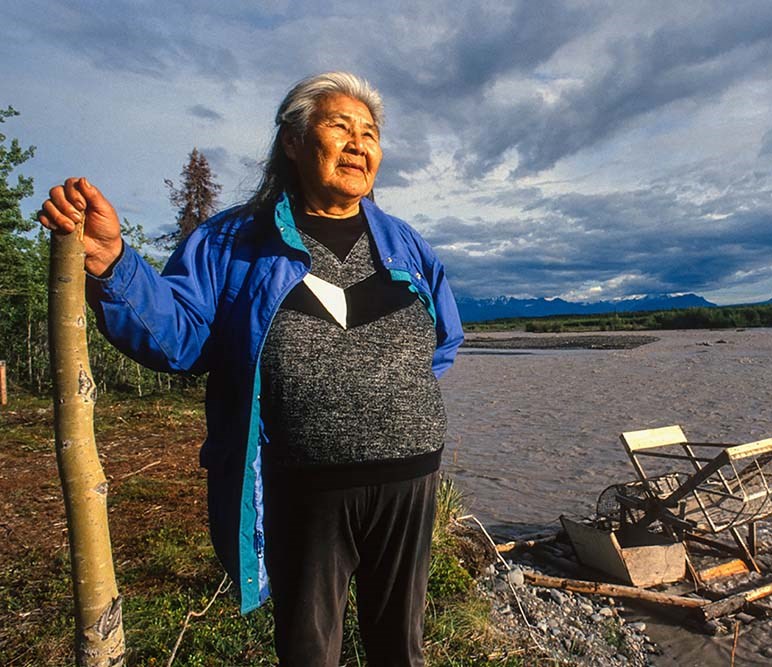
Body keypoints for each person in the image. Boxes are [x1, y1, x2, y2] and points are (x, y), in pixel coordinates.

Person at [38, 71, 464, 666]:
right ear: (292, 141)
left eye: (369, 133)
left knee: (402, 649)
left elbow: (443, 339)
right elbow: (180, 339)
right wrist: (114, 264)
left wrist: (391, 399)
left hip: (410, 478)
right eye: (340, 126)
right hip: (302, 483)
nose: (359, 143)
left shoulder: (406, 244)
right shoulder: (233, 241)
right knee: (309, 651)